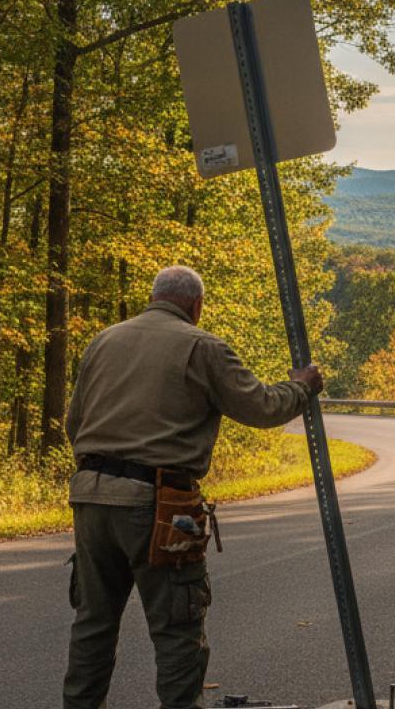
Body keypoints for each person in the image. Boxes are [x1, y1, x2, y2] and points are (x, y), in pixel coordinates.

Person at [62, 265, 322, 709]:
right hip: (158, 503)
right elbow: (260, 407)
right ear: (195, 305)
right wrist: (300, 389)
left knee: (93, 623)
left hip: (89, 495)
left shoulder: (103, 341)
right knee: (177, 628)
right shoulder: (202, 347)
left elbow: (74, 424)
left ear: (155, 296)